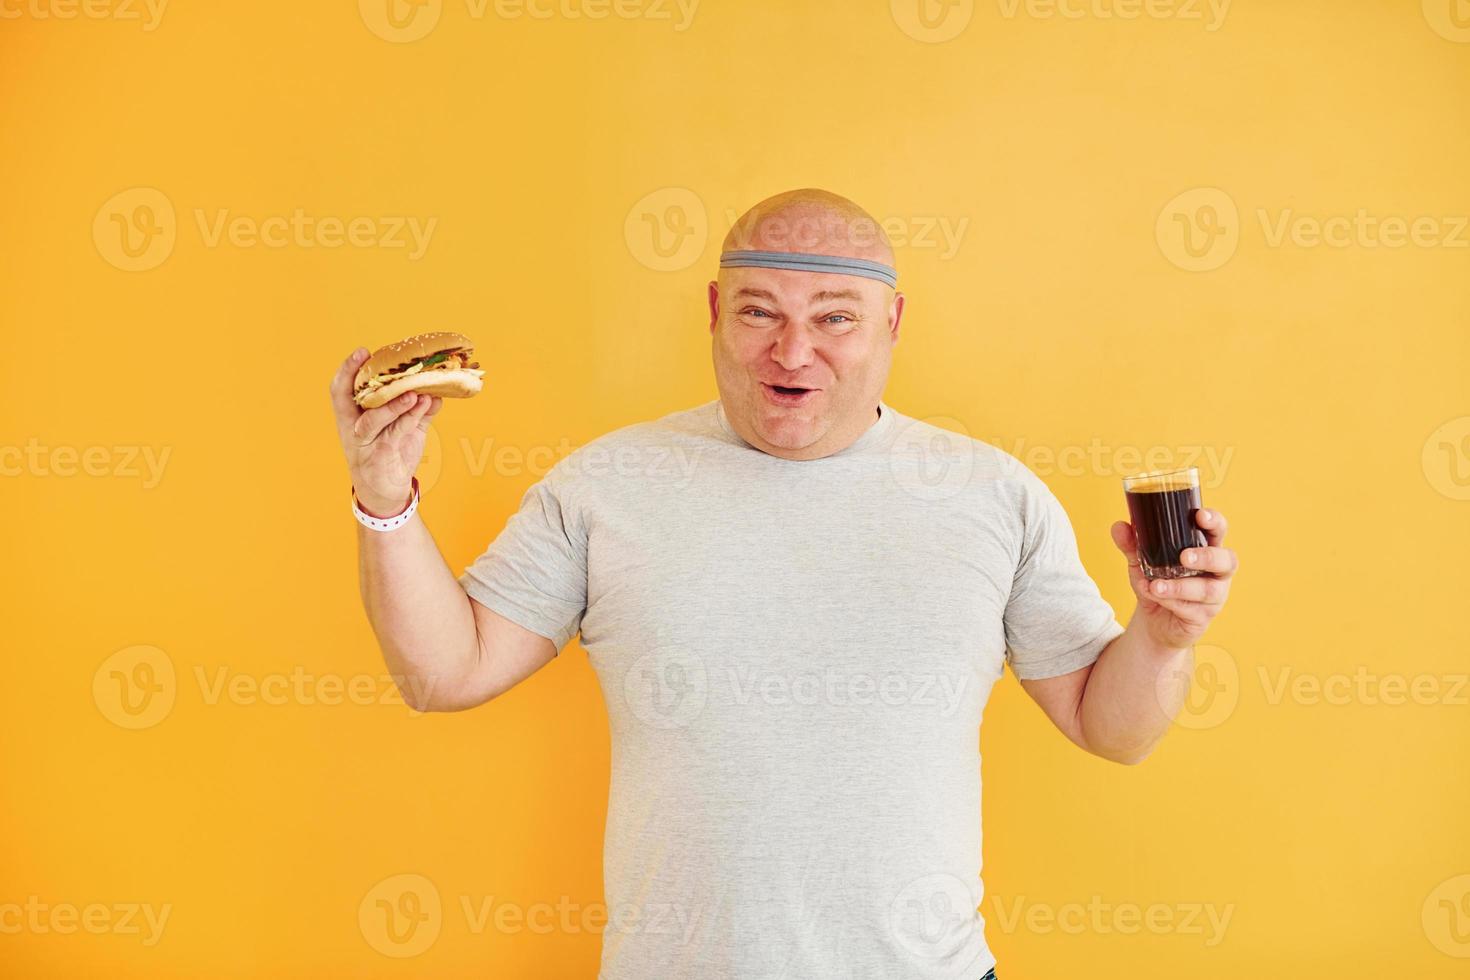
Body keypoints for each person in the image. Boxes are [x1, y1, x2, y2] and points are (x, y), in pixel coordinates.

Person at [327, 188, 1238, 979]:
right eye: (761, 313)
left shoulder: (990, 495)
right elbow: (445, 674)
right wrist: (385, 500)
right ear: (717, 309)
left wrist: (1161, 636)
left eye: (835, 317)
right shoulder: (608, 485)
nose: (792, 354)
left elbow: (1108, 727)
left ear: (893, 322)